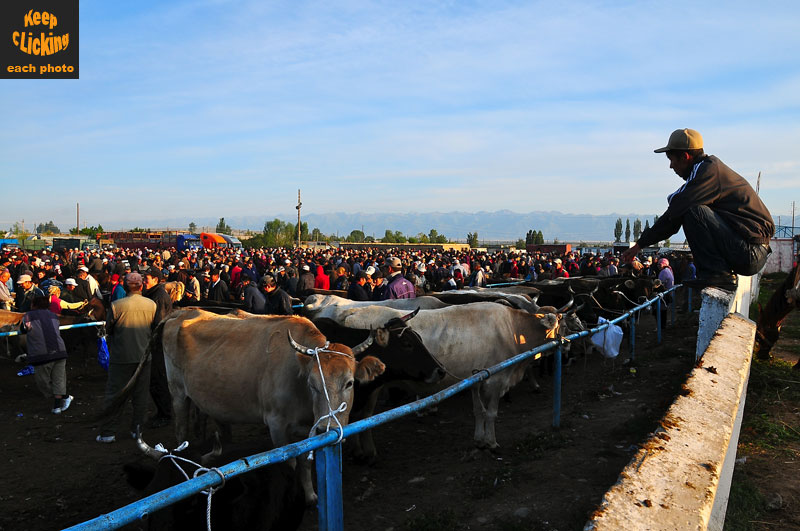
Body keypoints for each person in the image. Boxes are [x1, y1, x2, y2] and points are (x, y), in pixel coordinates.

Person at [622, 129, 773, 290]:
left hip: (750, 252)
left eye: (671, 159)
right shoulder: (704, 172)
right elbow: (673, 217)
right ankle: (715, 273)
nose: (671, 166)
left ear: (686, 157)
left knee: (693, 211)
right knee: (688, 208)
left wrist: (640, 244)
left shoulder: (708, 172)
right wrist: (640, 245)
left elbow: (676, 209)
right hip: (749, 249)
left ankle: (716, 274)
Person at [97, 272, 157, 443]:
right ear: (141, 286)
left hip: (120, 357)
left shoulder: (116, 306)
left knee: (115, 394)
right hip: (144, 357)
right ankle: (137, 430)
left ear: (124, 286)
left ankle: (108, 432)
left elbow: (109, 329)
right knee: (141, 396)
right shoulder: (151, 305)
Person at [22, 296, 73, 414]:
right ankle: (59, 404)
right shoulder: (54, 315)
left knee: (43, 382)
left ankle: (60, 401)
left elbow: (24, 329)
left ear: (34, 304)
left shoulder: (28, 316)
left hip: (41, 354)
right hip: (59, 351)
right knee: (58, 380)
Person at [142, 267, 173, 428]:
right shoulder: (153, 294)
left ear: (155, 279)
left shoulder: (159, 296)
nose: (143, 281)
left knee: (158, 378)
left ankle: (165, 414)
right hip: (156, 341)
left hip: (159, 342)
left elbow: (159, 323)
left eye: (146, 278)